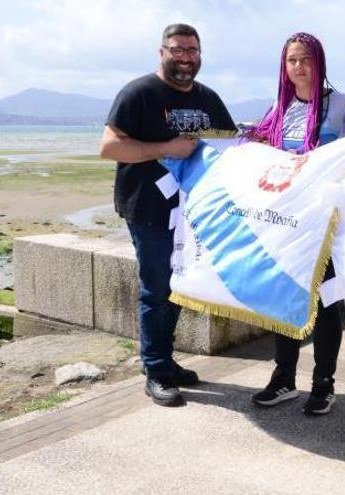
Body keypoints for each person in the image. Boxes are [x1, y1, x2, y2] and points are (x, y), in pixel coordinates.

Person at [99, 24, 237, 407]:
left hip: (193, 212)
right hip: (148, 209)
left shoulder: (208, 98)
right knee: (156, 288)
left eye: (192, 50)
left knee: (179, 287)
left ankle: (166, 359)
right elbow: (109, 147)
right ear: (162, 52)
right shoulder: (139, 93)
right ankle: (156, 369)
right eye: (177, 50)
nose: (185, 57)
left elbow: (230, 146)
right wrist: (166, 147)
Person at [249, 32, 345, 415]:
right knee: (284, 299)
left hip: (327, 226)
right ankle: (284, 379)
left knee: (326, 305)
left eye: (306, 59)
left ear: (320, 62)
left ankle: (323, 383)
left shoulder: (344, 105)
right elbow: (260, 156)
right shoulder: (279, 108)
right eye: (292, 60)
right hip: (288, 226)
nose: (299, 67)